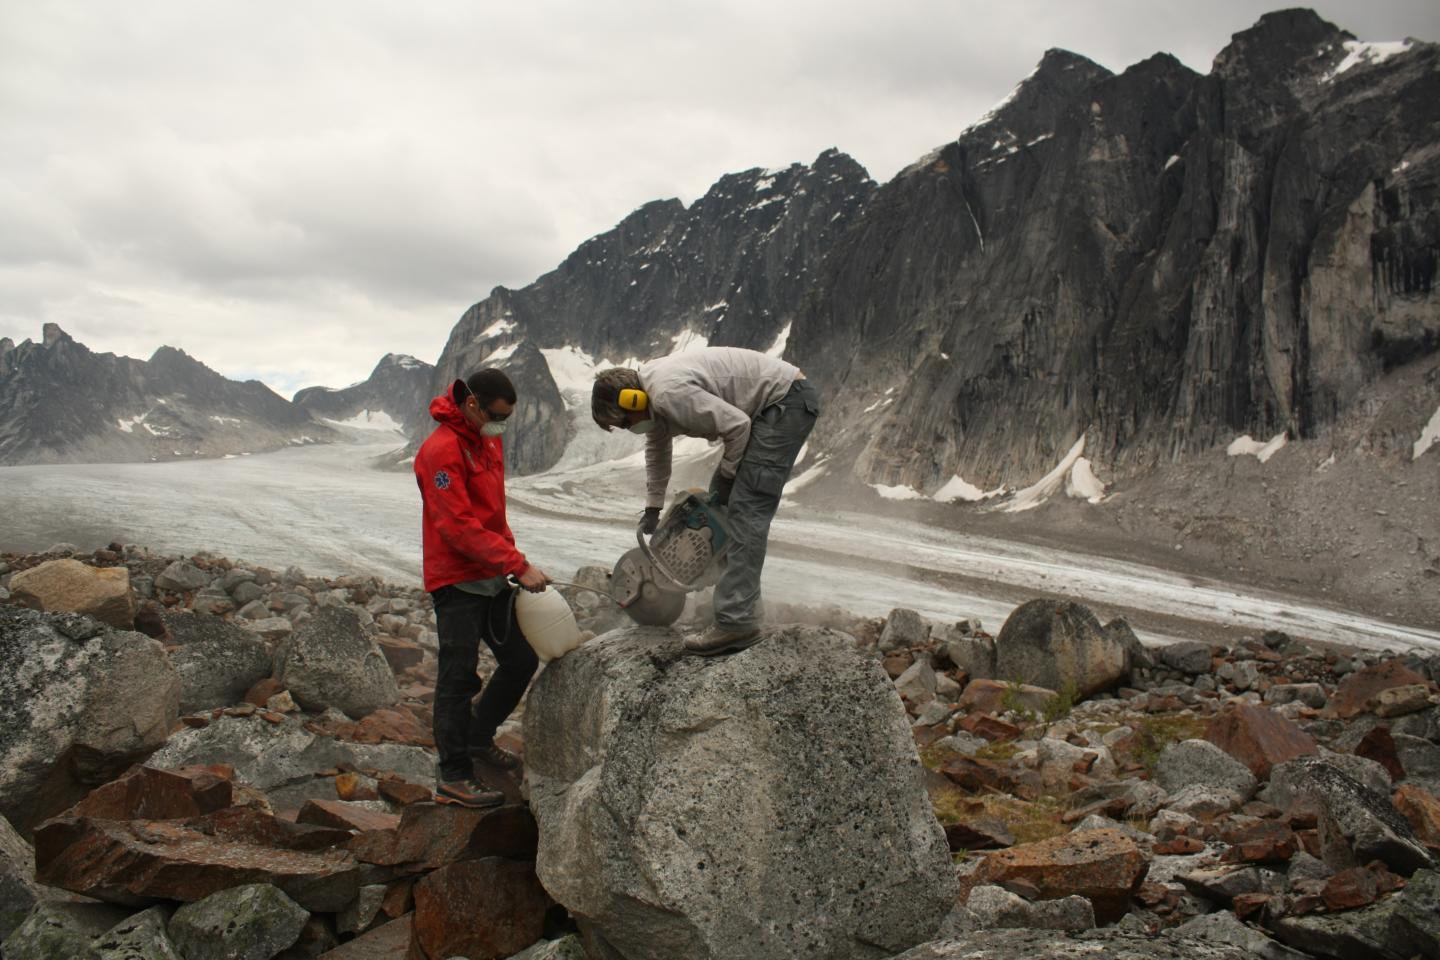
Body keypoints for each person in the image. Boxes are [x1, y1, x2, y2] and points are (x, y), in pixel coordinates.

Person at [590, 346, 820, 655]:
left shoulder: (666, 394)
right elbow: (657, 454)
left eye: (624, 422)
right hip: (772, 407)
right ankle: (743, 608)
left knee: (745, 508)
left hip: (785, 402)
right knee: (717, 511)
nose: (628, 429)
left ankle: (736, 623)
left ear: (632, 400)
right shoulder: (655, 400)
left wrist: (727, 474)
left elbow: (737, 426)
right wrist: (652, 507)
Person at [415, 368, 549, 807]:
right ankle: (453, 776)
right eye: (496, 416)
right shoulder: (440, 451)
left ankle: (476, 736)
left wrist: (508, 557)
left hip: (491, 575)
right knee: (457, 676)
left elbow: (493, 511)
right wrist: (516, 562)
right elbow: (455, 526)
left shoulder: (487, 439)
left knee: (519, 660)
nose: (501, 426)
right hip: (456, 579)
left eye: (506, 419)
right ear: (472, 404)